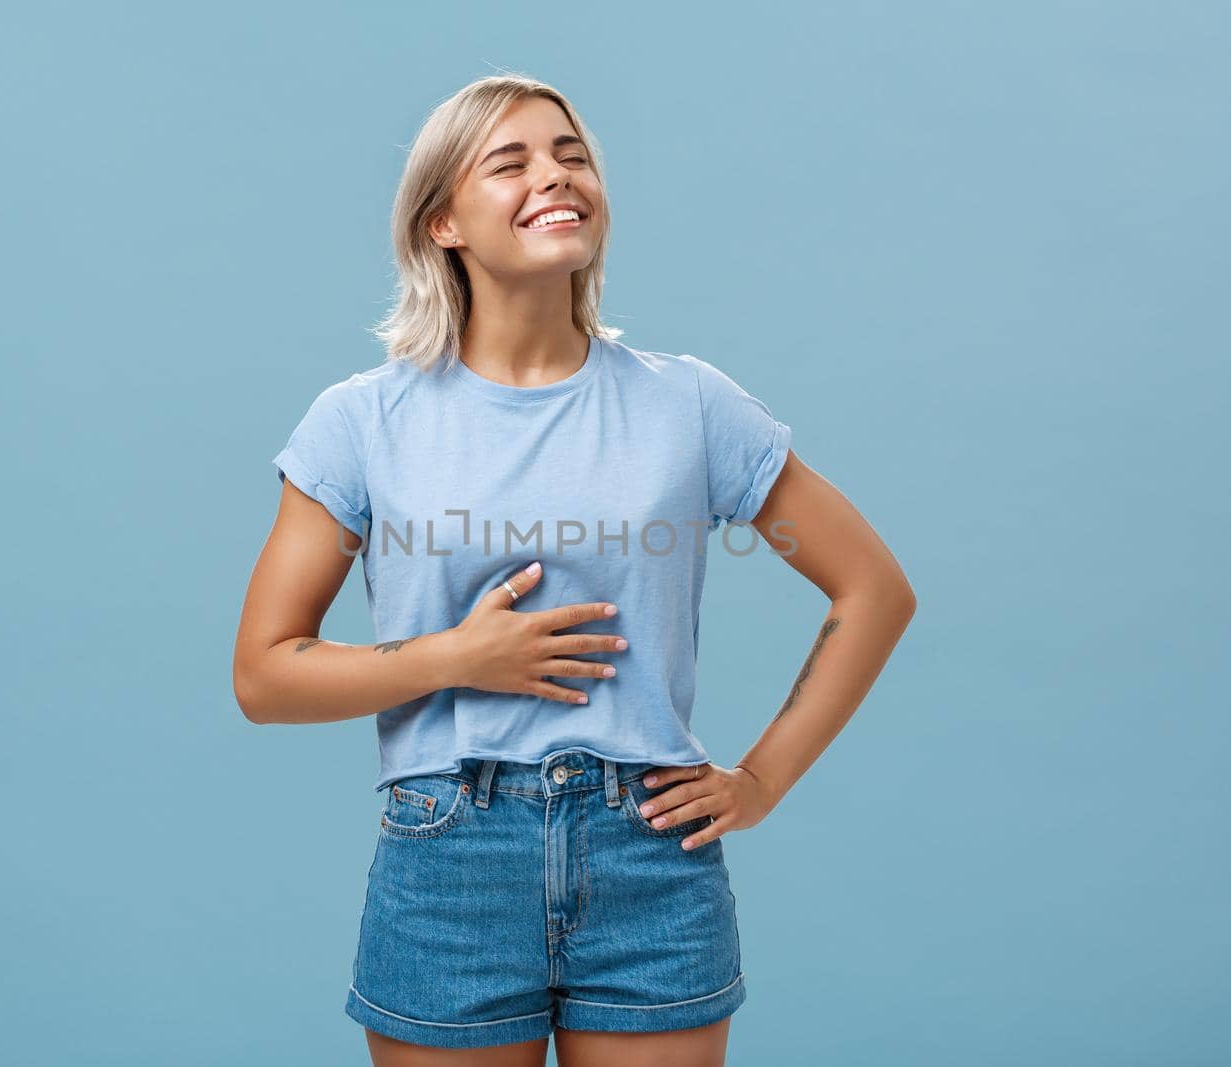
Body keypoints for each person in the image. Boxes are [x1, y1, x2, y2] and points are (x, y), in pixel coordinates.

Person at [232, 73, 917, 1067]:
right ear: (442, 224)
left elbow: (874, 591)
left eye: (570, 154)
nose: (555, 175)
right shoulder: (360, 421)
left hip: (648, 851)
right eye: (508, 163)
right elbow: (265, 674)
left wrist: (761, 778)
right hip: (450, 855)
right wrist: (455, 656)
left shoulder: (689, 405)